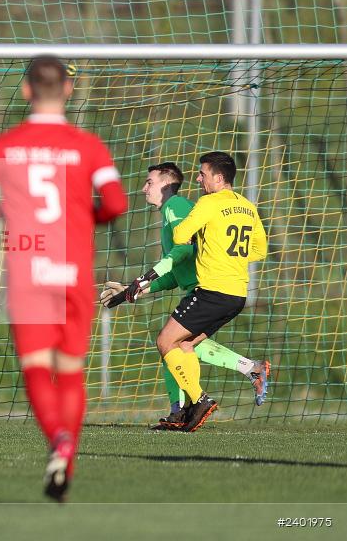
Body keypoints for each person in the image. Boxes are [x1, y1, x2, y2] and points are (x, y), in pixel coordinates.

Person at [0, 56, 127, 502]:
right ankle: (66, 459)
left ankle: (57, 438)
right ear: (68, 91)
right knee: (70, 370)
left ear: (26, 91)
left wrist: (12, 212)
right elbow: (115, 202)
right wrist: (86, 217)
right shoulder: (88, 145)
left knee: (36, 367)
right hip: (73, 272)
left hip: (28, 267)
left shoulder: (5, 145)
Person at [100, 162, 269, 431]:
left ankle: (196, 403)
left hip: (209, 288)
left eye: (150, 182)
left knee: (169, 343)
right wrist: (132, 292)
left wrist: (143, 280)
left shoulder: (176, 207)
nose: (144, 188)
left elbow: (183, 251)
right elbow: (174, 275)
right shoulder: (173, 210)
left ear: (167, 185)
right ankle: (185, 408)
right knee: (183, 347)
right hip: (217, 290)